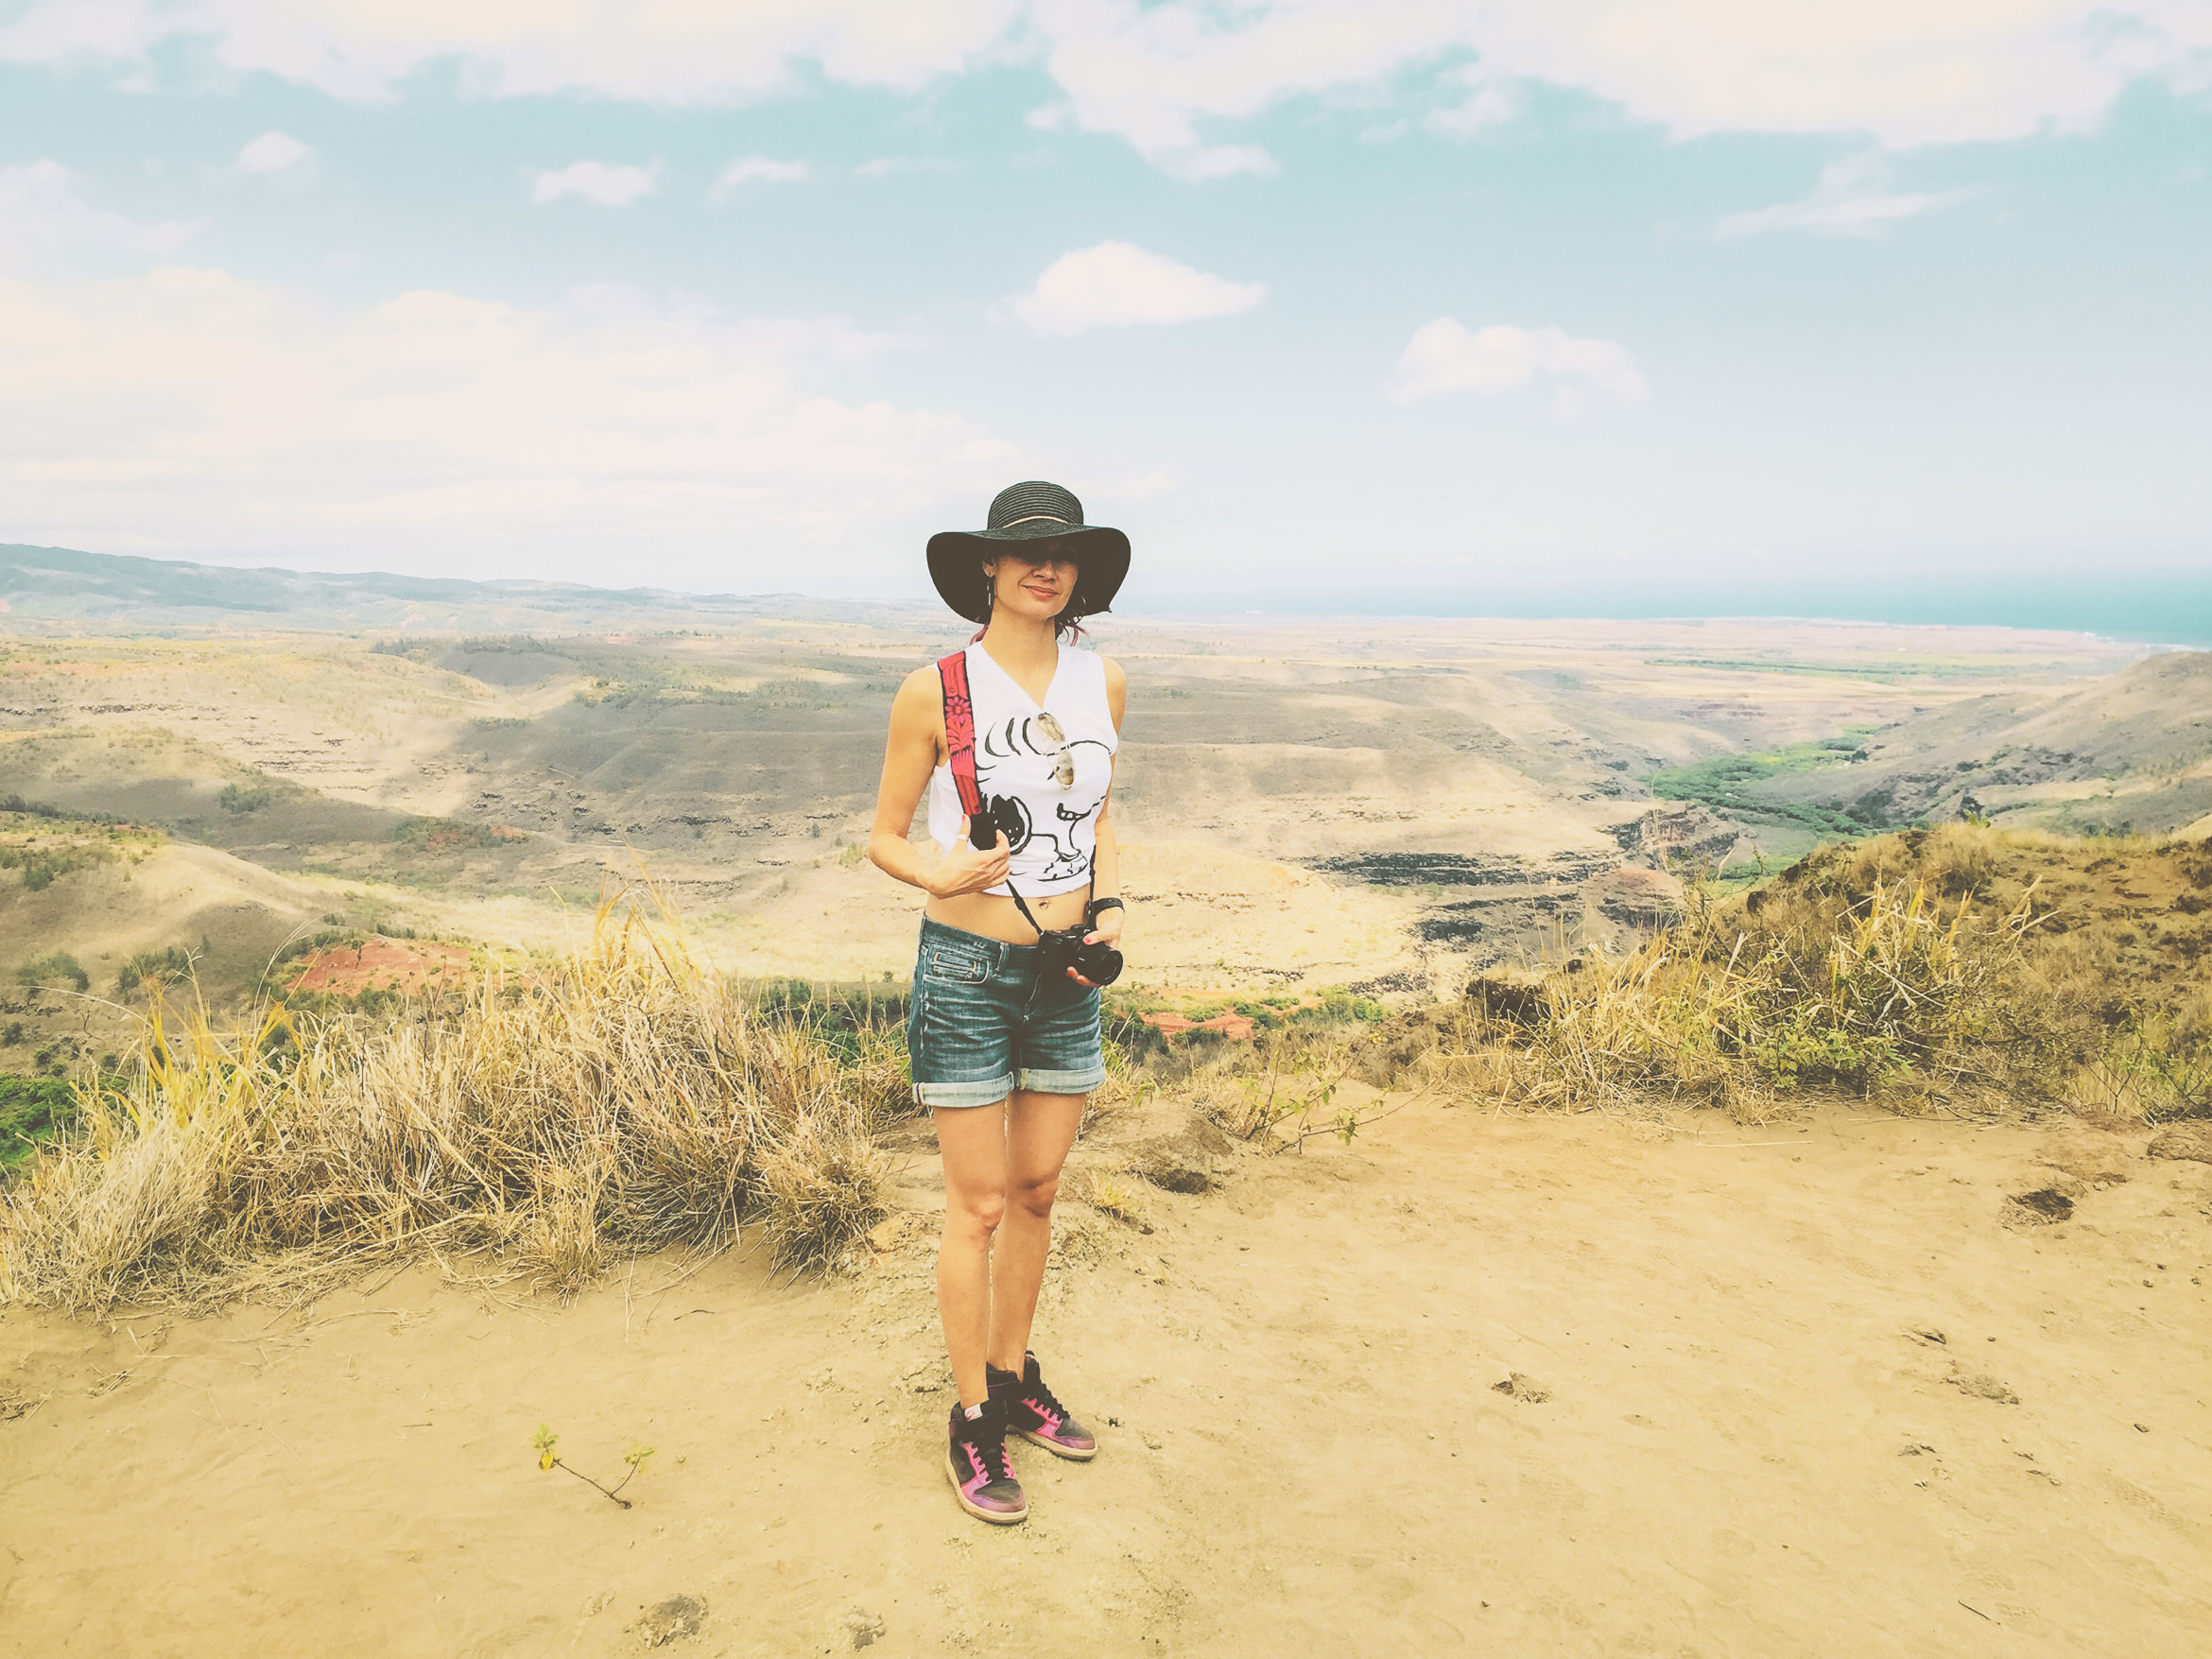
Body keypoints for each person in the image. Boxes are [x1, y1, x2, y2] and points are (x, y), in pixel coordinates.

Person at [866, 480, 1131, 1525]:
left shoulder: (1104, 681)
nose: (1046, 566)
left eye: (1065, 552)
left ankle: (1016, 1380)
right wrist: (936, 877)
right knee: (976, 1206)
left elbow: (1105, 810)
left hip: (1066, 968)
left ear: (1082, 571)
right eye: (1025, 552)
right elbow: (884, 833)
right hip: (969, 973)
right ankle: (972, 1416)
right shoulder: (938, 690)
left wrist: (1109, 903)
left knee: (1036, 1195)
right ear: (986, 565)